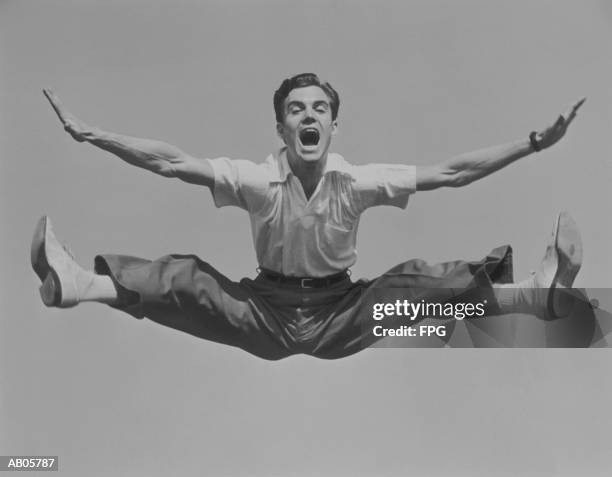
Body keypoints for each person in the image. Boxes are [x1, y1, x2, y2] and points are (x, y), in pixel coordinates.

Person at [31, 73, 587, 359]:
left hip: (340, 308)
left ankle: (536, 296)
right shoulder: (256, 179)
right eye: (296, 109)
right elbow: (173, 162)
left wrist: (534, 143)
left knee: (413, 284)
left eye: (319, 108)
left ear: (333, 126)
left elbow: (452, 173)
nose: (308, 115)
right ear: (282, 129)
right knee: (186, 279)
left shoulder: (357, 182)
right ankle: (77, 285)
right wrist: (93, 135)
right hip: (265, 310)